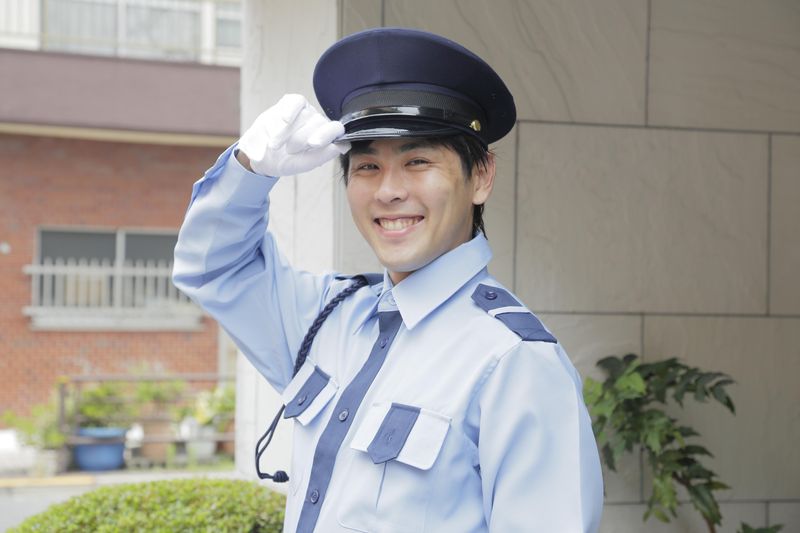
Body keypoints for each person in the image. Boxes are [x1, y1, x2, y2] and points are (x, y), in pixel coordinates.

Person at [174, 27, 603, 533]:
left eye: (418, 161)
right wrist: (249, 171)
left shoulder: (515, 362)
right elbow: (213, 267)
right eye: (367, 166)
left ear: (481, 176)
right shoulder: (329, 318)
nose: (389, 191)